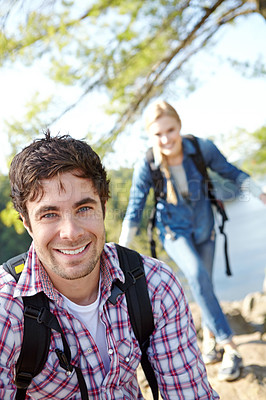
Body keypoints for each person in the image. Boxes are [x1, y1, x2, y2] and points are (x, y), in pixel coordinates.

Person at [0, 131, 219, 399]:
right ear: (27, 224)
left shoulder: (153, 285)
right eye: (49, 214)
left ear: (103, 207)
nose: (71, 232)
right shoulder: (7, 309)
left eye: (84, 209)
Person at [119, 100, 266, 382]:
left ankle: (208, 339)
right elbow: (136, 206)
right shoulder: (148, 162)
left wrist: (259, 192)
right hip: (174, 231)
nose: (165, 139)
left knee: (204, 284)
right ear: (150, 135)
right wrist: (118, 249)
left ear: (179, 126)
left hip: (205, 228)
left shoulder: (201, 149)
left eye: (170, 130)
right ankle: (230, 347)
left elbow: (230, 172)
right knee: (197, 275)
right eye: (158, 134)